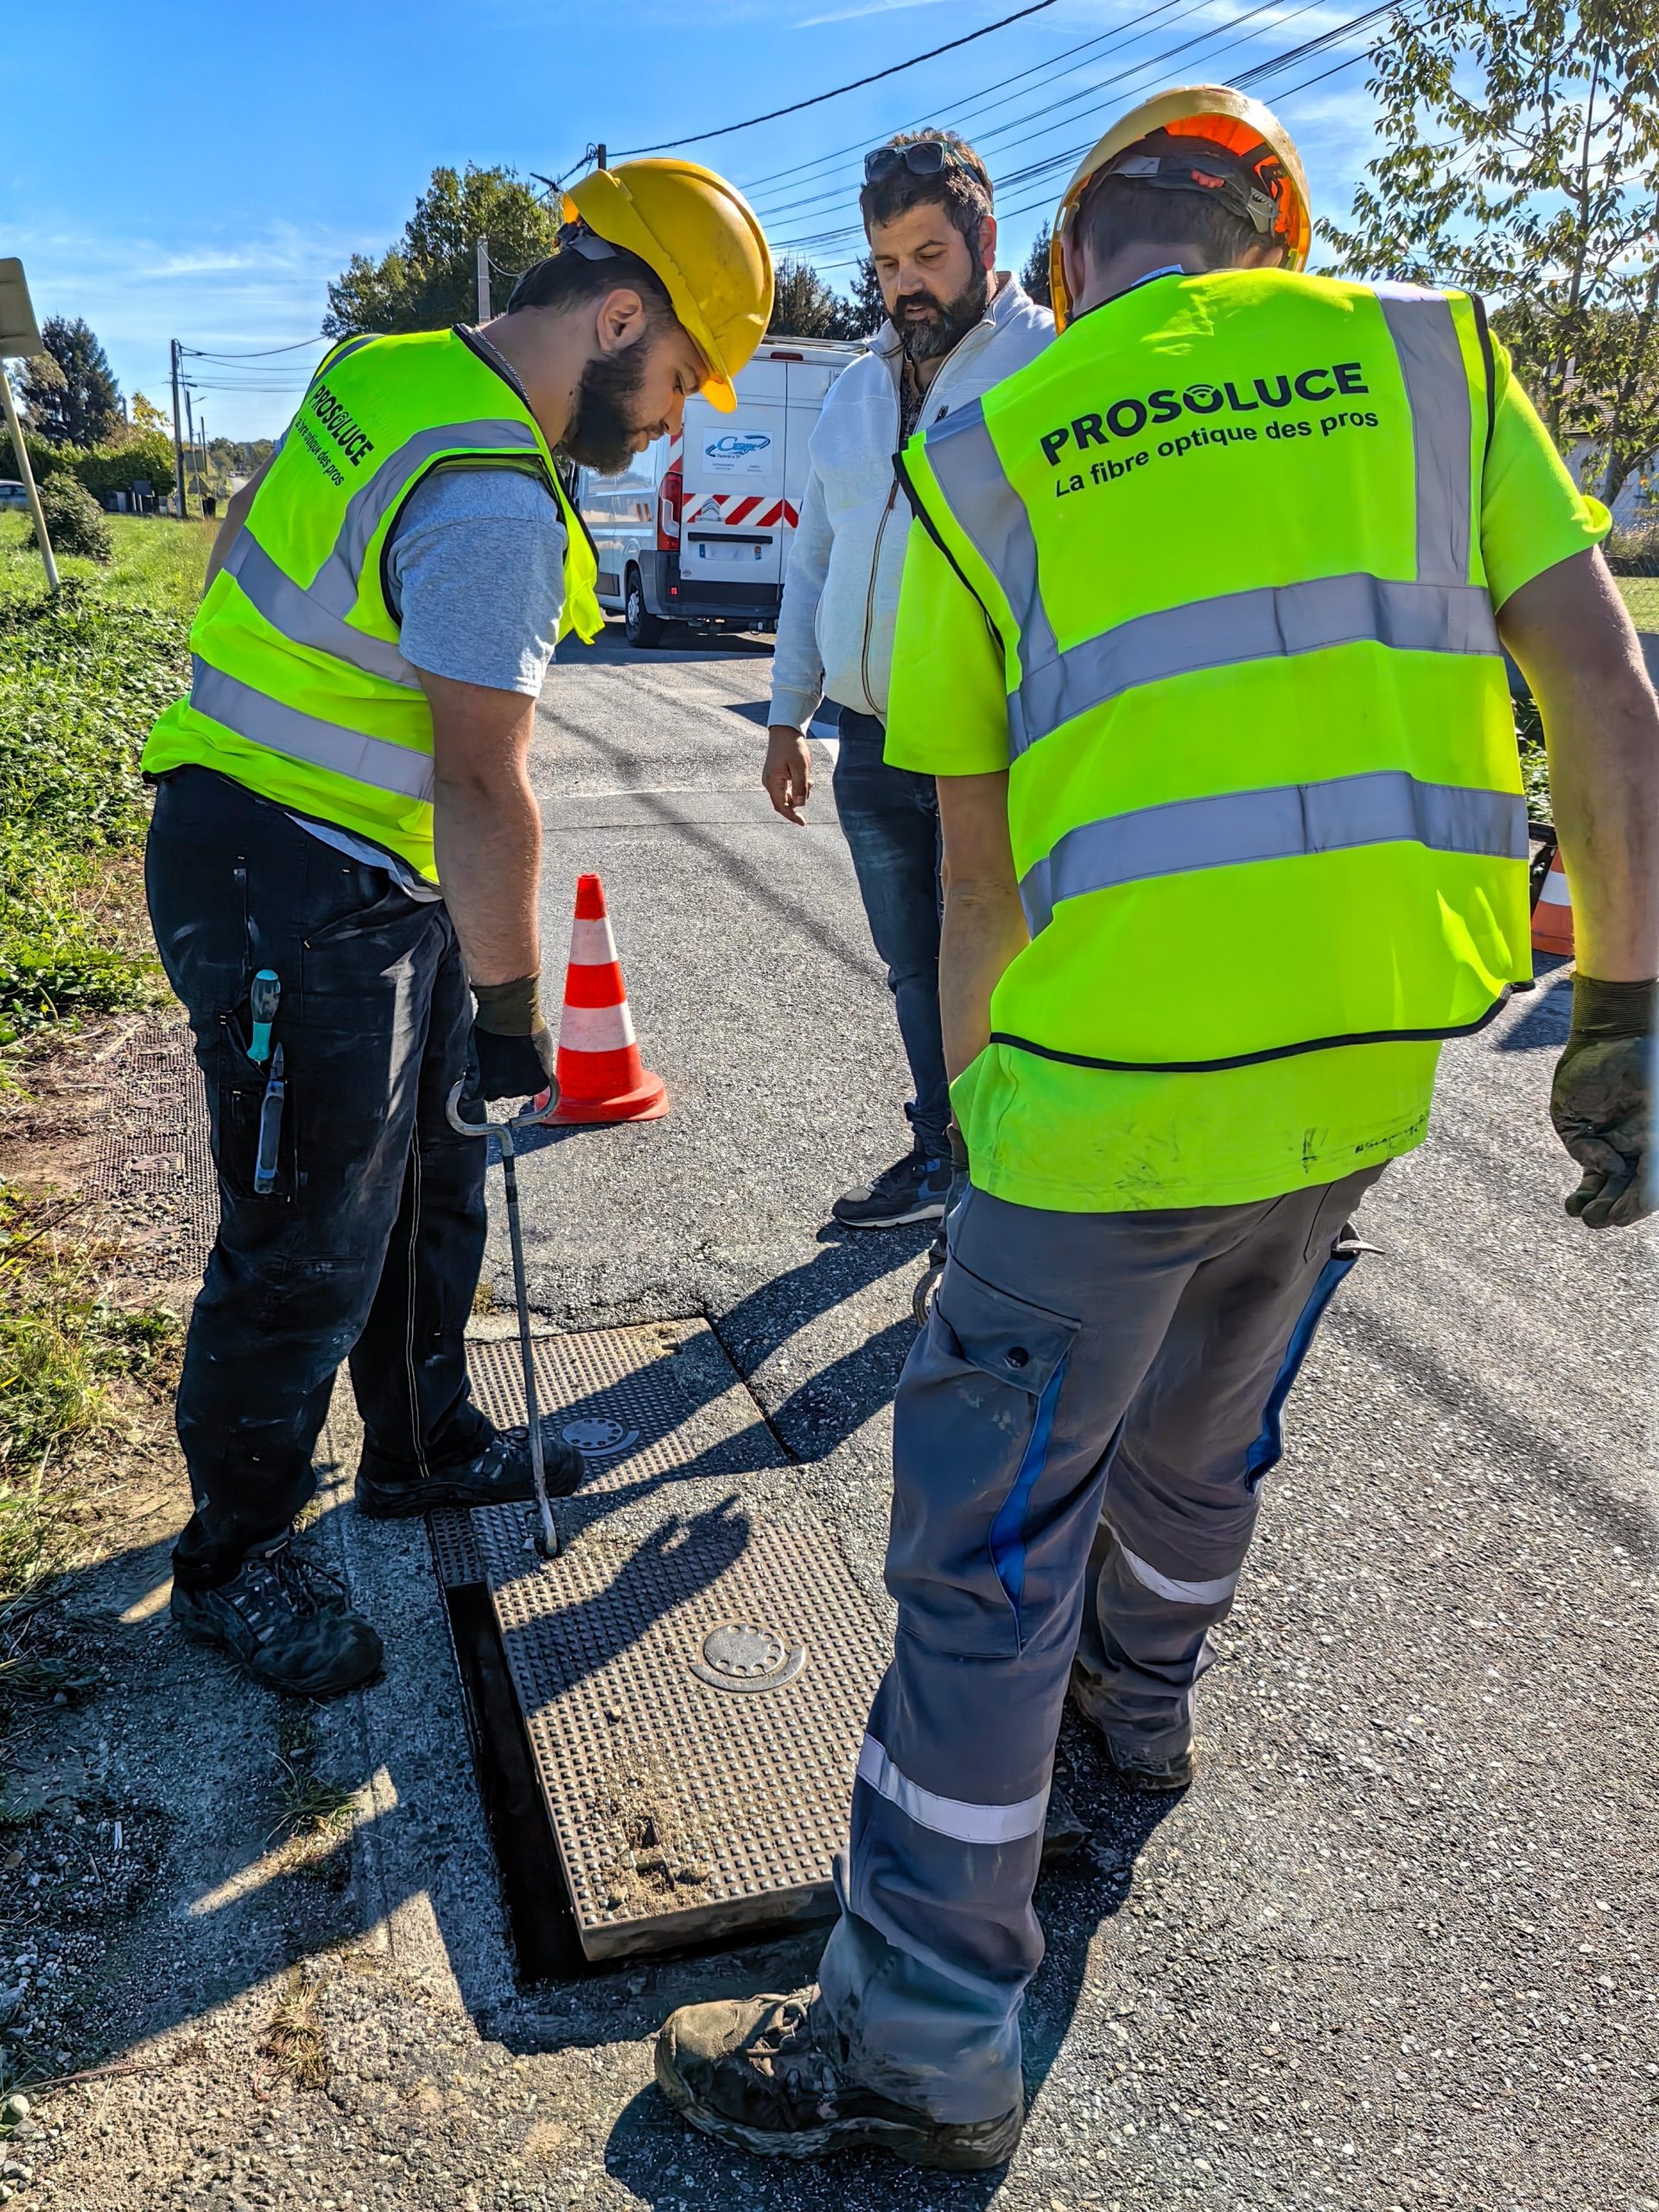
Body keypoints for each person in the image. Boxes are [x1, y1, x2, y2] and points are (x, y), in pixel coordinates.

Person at [656, 84, 1657, 2168]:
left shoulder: (988, 447)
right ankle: (1133, 1734)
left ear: (1072, 255)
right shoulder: (1427, 354)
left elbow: (973, 859)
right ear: (1270, 237)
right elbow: (1598, 686)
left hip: (1100, 1109)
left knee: (983, 1545)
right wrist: (1625, 1004)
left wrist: (971, 1143)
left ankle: (921, 2035)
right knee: (1203, 1442)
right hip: (1364, 1078)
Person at [143, 161, 773, 1700]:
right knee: (305, 1239)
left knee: (429, 1179)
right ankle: (233, 1560)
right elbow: (487, 787)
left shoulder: (383, 367)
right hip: (292, 883)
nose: (677, 416)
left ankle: (421, 1445)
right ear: (619, 315)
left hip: (328, 861)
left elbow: (241, 524)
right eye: (683, 376)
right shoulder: (491, 491)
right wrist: (514, 1014)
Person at [763, 130, 1051, 1230]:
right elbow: (817, 558)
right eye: (886, 265)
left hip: (995, 729)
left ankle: (1003, 1175)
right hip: (871, 729)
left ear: (983, 238)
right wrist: (788, 712)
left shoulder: (1045, 367)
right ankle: (939, 1154)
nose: (906, 287)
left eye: (928, 254)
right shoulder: (851, 388)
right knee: (909, 959)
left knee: (1004, 957)